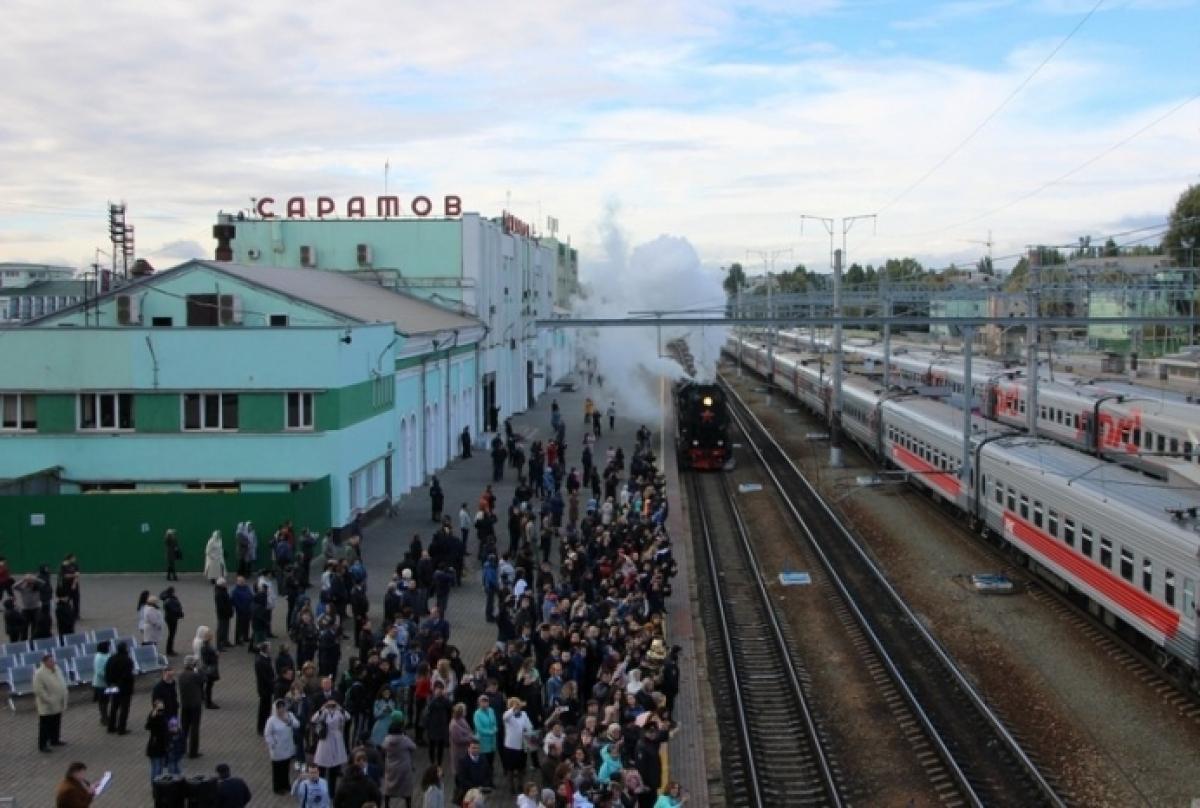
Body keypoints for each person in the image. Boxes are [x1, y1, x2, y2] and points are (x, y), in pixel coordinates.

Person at [312, 698, 351, 796]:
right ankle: (320, 789)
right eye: (329, 704)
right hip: (325, 740)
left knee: (334, 768)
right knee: (322, 767)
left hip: (337, 739)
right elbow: (313, 719)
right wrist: (321, 709)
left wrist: (340, 708)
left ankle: (331, 792)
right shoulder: (324, 712)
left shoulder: (339, 712)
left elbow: (348, 717)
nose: (331, 706)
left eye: (333, 704)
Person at [34, 652, 69, 752]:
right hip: (47, 705)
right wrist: (48, 699)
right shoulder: (39, 674)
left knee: (56, 721)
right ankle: (43, 745)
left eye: (53, 660)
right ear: (44, 662)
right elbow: (39, 690)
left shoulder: (56, 669)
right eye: (50, 661)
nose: (53, 662)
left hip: (58, 701)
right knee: (45, 726)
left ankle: (55, 739)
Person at [265, 699, 301, 794]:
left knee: (286, 767)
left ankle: (286, 785)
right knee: (278, 769)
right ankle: (278, 788)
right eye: (279, 708)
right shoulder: (271, 720)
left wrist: (288, 720)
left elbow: (297, 725)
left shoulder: (289, 715)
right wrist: (273, 744)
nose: (281, 710)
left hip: (288, 746)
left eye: (282, 707)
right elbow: (268, 734)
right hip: (277, 749)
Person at [381, 716, 417, 808]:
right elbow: (414, 747)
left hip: (391, 767)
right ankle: (408, 805)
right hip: (404, 766)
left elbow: (383, 748)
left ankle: (386, 805)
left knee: (389, 787)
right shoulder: (404, 739)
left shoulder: (387, 740)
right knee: (406, 789)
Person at [501, 697, 534, 794]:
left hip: (522, 745)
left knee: (521, 768)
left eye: (518, 705)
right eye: (514, 705)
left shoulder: (524, 714)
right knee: (510, 769)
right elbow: (505, 717)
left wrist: (527, 729)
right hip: (510, 746)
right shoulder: (508, 715)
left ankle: (520, 785)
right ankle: (511, 787)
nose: (517, 707)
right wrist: (513, 709)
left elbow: (529, 726)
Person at [105, 641, 135, 734]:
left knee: (114, 706)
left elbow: (107, 672)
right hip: (125, 687)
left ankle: (111, 726)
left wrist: (110, 683)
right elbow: (128, 675)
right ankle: (121, 728)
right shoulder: (127, 660)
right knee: (124, 708)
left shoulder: (111, 658)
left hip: (113, 686)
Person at [179, 656, 205, 758]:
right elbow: (204, 679)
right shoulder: (195, 676)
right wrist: (199, 669)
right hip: (195, 705)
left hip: (185, 705)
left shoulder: (181, 676)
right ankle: (193, 752)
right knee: (194, 728)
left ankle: (181, 749)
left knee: (184, 728)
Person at [145, 698, 171, 780]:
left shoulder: (163, 716)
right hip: (155, 746)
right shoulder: (153, 718)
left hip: (161, 746)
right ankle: (156, 785)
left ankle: (157, 784)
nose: (161, 711)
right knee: (156, 768)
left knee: (159, 768)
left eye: (162, 709)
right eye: (159, 709)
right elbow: (148, 726)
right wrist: (153, 716)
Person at [256, 642, 276, 735]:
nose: (270, 649)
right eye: (269, 648)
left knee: (267, 708)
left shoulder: (266, 658)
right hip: (264, 688)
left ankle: (266, 726)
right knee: (263, 709)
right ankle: (261, 728)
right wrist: (272, 682)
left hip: (267, 688)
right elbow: (264, 676)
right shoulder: (260, 661)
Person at [91, 640, 112, 724]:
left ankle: (105, 716)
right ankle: (104, 718)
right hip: (100, 684)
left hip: (106, 683)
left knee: (106, 700)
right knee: (102, 701)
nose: (109, 648)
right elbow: (99, 671)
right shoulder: (99, 657)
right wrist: (110, 676)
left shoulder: (106, 655)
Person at [161, 586, 184, 656]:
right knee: (172, 634)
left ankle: (170, 649)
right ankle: (169, 650)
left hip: (169, 618)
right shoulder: (170, 600)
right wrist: (180, 612)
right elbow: (174, 609)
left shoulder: (166, 598)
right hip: (172, 618)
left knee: (171, 634)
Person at [213, 578, 234, 650]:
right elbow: (221, 606)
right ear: (221, 584)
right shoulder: (219, 593)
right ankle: (219, 645)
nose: (226, 584)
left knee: (226, 628)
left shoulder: (222, 591)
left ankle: (225, 641)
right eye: (225, 583)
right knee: (221, 629)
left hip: (226, 614)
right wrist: (228, 611)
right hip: (222, 614)